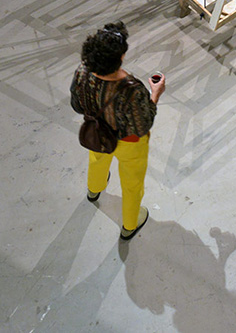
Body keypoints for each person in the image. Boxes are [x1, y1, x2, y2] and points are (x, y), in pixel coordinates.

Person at [70, 21, 165, 241]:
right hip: (129, 142)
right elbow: (142, 124)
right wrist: (155, 94)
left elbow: (76, 105)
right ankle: (130, 224)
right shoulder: (131, 89)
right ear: (120, 57)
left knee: (97, 160)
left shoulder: (82, 72)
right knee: (132, 182)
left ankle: (94, 190)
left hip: (96, 132)